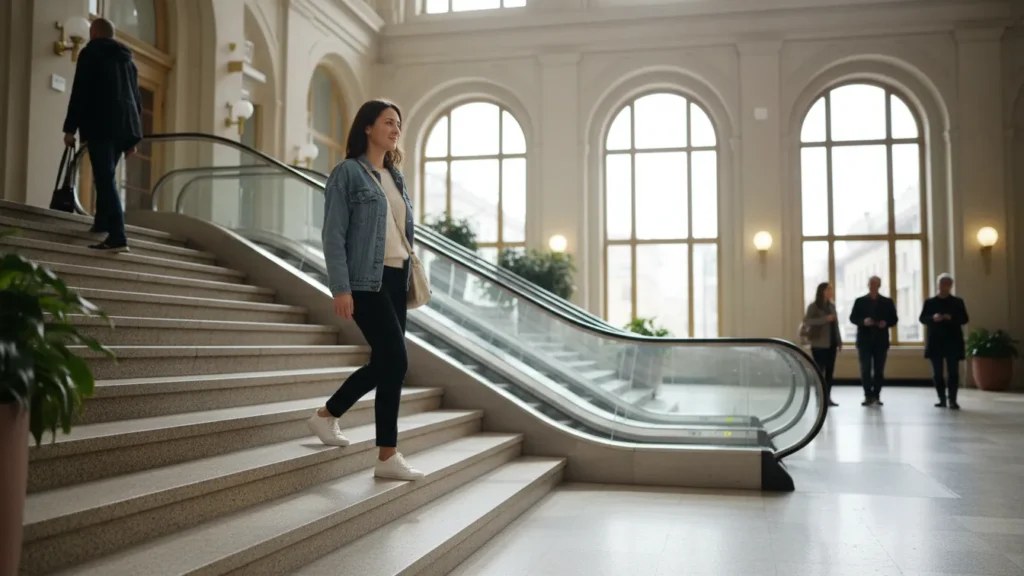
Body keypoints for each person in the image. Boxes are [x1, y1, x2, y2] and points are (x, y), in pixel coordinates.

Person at [307, 99, 423, 481]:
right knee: (397, 361)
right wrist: (340, 288)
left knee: (387, 364)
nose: (395, 129)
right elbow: (333, 235)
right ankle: (386, 455)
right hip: (364, 282)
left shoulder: (395, 176)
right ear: (368, 128)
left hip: (396, 278)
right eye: (389, 122)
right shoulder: (347, 174)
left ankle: (328, 416)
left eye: (398, 124)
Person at [61, 18, 142, 253]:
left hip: (100, 124)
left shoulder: (91, 53)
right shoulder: (128, 60)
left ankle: (118, 236)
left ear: (94, 33)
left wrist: (70, 128)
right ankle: (102, 222)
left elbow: (81, 91)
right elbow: (136, 99)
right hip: (124, 126)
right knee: (105, 176)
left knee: (105, 178)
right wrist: (134, 138)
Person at [919, 273, 969, 410]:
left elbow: (964, 319)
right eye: (941, 284)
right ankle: (941, 399)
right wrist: (933, 318)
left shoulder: (957, 302)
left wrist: (950, 318)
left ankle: (952, 399)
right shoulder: (930, 302)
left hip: (952, 341)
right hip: (935, 341)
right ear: (937, 285)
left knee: (953, 372)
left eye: (946, 284)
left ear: (950, 286)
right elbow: (923, 318)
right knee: (937, 373)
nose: (943, 287)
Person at [849, 276, 898, 406]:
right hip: (864, 341)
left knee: (879, 370)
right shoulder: (859, 301)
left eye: (875, 284)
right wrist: (863, 321)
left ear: (879, 285)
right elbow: (853, 318)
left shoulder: (887, 302)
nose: (873, 286)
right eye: (871, 284)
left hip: (880, 341)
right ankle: (867, 395)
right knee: (865, 369)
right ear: (868, 285)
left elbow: (894, 319)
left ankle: (876, 395)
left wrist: (885, 323)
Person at [804, 282, 842, 407]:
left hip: (831, 343)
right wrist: (825, 319)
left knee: (830, 372)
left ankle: (827, 397)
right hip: (819, 344)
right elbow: (808, 321)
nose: (831, 292)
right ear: (822, 291)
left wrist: (839, 340)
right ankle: (819, 397)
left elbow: (836, 325)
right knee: (820, 372)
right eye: (829, 290)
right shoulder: (814, 306)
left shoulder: (831, 306)